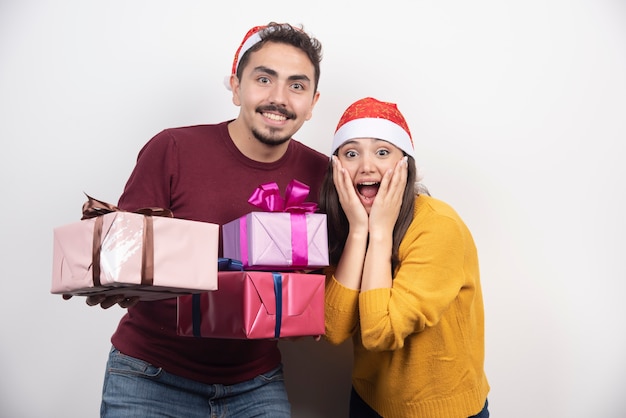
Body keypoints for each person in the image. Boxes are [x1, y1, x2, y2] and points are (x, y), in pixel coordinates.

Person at [70, 22, 327, 417]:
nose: (279, 98)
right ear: (236, 87)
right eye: (263, 79)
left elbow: (330, 273)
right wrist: (107, 275)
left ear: (312, 103)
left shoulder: (323, 174)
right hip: (149, 376)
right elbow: (126, 253)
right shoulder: (172, 148)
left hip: (256, 383)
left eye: (296, 86)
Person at [319, 97, 490, 418]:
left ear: (406, 164)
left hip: (440, 411)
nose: (366, 166)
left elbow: (378, 333)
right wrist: (359, 231)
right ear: (336, 168)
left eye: (382, 152)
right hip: (369, 402)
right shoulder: (343, 223)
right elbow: (333, 328)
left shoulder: (439, 225)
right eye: (351, 153)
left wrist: (379, 234)